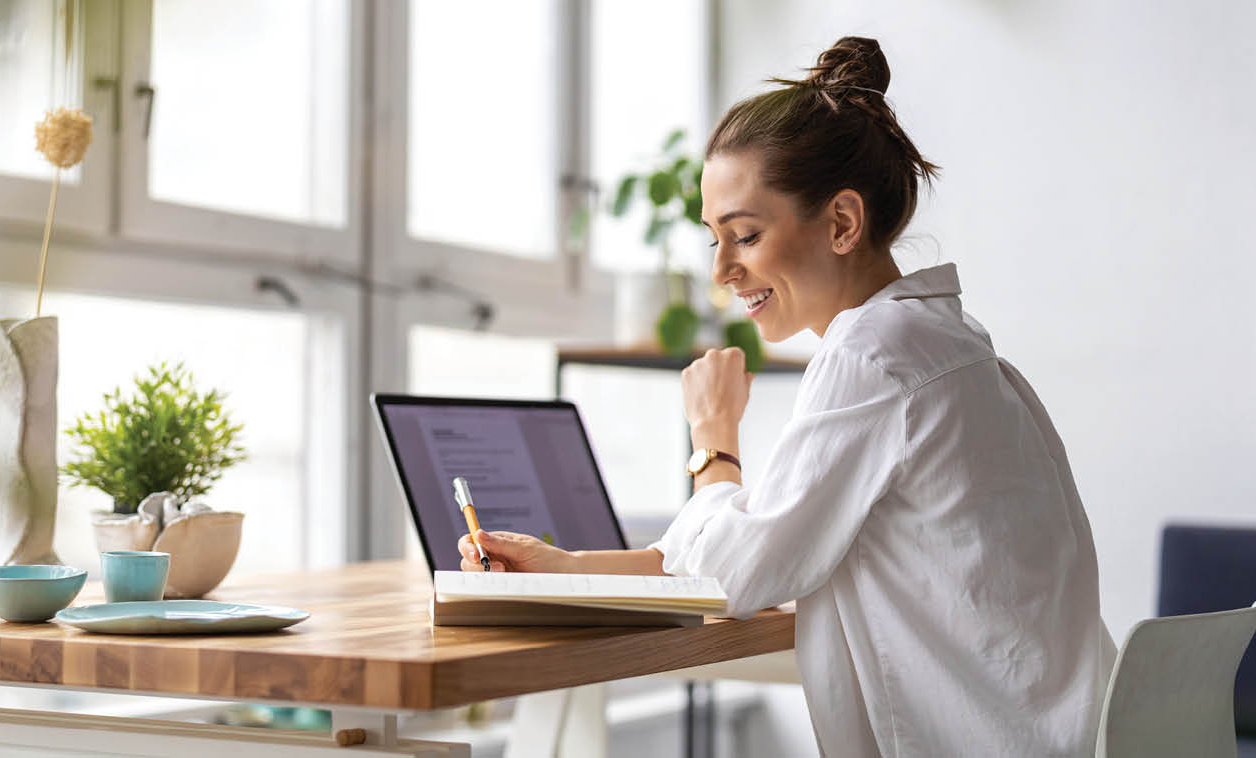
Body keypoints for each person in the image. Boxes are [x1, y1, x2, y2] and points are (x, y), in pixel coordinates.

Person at [458, 36, 1116, 757]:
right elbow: (761, 544)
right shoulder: (941, 341)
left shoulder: (874, 355)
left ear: (841, 223)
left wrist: (713, 437)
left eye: (743, 235)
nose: (723, 272)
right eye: (713, 239)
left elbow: (736, 573)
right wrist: (572, 569)